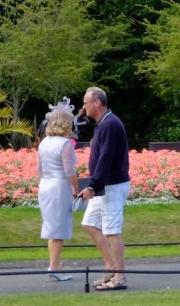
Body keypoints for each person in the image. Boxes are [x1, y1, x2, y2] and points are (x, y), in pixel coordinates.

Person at [77, 87, 131, 290]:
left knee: (112, 231)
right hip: (104, 185)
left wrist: (93, 186)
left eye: (86, 103)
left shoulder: (110, 124)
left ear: (97, 102)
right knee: (89, 224)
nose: (83, 107)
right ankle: (111, 266)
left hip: (112, 186)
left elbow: (105, 158)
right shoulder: (103, 123)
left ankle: (120, 277)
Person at [37, 98, 79, 281]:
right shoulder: (65, 144)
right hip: (59, 186)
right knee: (58, 229)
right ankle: (54, 266)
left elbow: (39, 170)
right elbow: (70, 172)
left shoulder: (43, 142)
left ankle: (56, 264)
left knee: (52, 227)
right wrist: (76, 188)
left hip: (45, 185)